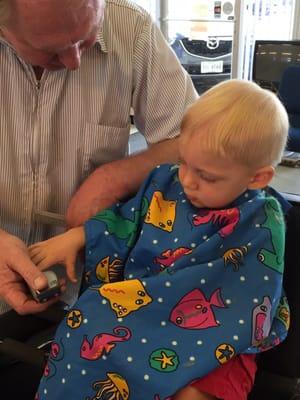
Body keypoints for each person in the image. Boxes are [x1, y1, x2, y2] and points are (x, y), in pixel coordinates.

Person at [29, 79, 290, 400]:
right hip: (141, 317)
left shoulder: (261, 217)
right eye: (184, 164)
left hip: (218, 338)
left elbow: (248, 293)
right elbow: (125, 223)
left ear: (257, 177)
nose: (188, 181)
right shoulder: (165, 183)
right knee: (86, 326)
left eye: (206, 176)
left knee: (194, 395)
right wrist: (77, 236)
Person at [0, 0, 197, 316]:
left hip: (92, 297)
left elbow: (195, 139)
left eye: (87, 38)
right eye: (51, 49)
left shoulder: (131, 28)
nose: (75, 61)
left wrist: (116, 176)